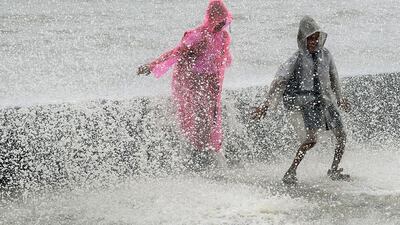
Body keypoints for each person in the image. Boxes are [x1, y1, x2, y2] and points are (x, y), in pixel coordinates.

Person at [252, 16, 351, 184]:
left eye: (316, 38)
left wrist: (340, 98)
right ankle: (291, 171)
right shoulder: (296, 58)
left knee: (341, 136)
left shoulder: (326, 55)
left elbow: (334, 77)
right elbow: (279, 81)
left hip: (326, 101)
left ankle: (334, 170)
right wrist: (265, 105)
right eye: (310, 38)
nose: (313, 41)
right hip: (308, 103)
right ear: (302, 39)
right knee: (311, 140)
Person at [137, 0, 232, 168]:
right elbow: (175, 53)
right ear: (211, 18)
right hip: (192, 81)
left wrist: (215, 82)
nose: (221, 25)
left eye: (224, 22)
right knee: (195, 117)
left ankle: (207, 154)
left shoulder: (223, 37)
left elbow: (222, 61)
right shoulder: (197, 35)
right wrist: (152, 65)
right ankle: (195, 155)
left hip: (210, 83)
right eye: (219, 21)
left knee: (211, 119)